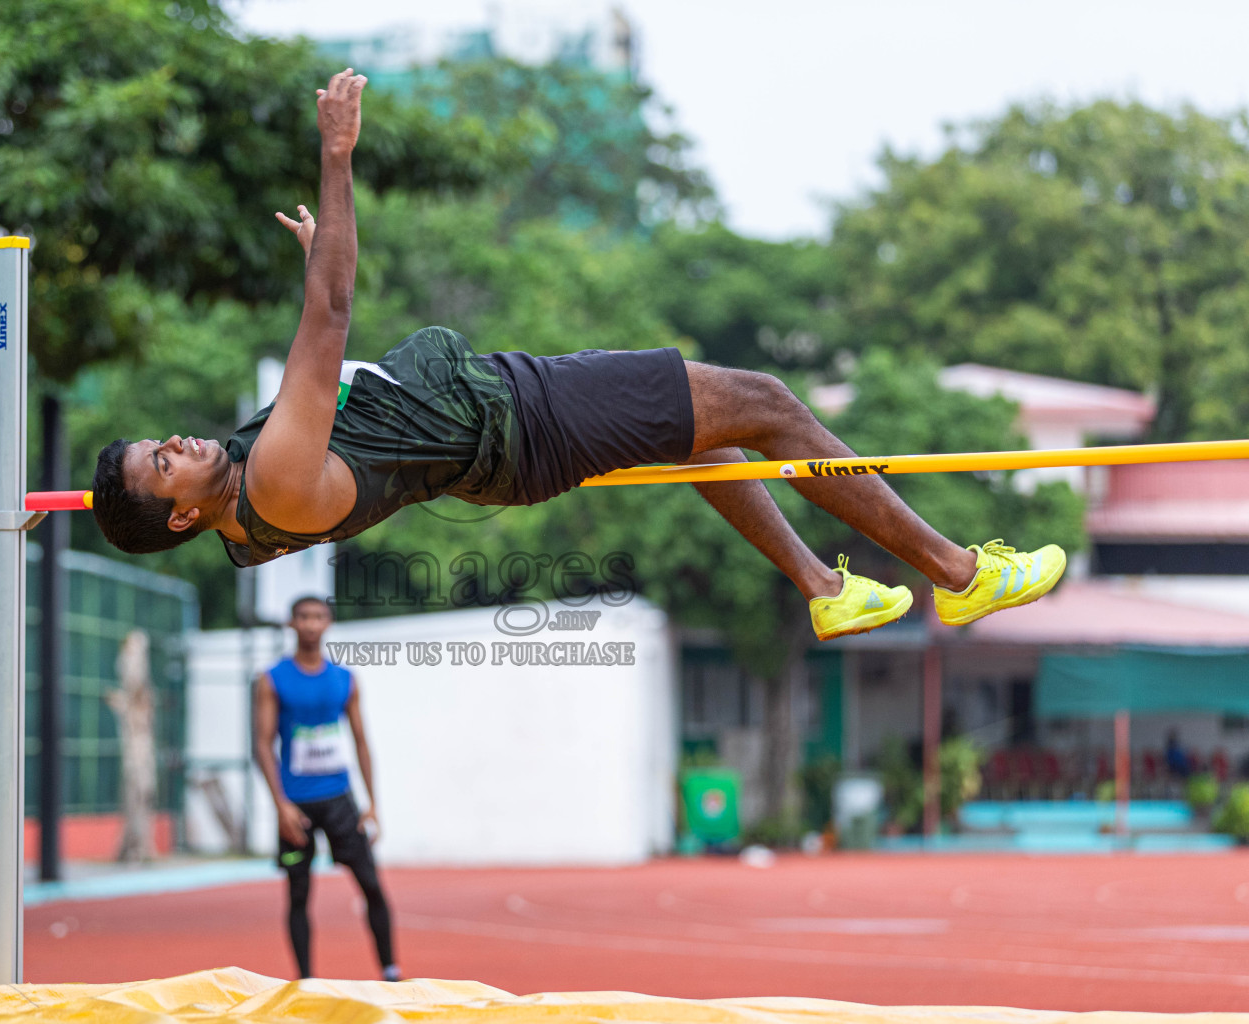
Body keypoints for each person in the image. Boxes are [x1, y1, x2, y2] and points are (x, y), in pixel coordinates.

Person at [91, 69, 1066, 642]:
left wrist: (320, 271)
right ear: (179, 510)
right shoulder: (272, 479)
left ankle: (824, 588)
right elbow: (334, 315)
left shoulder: (246, 520)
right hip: (521, 422)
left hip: (500, 433)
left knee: (705, 436)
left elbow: (340, 366)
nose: (176, 439)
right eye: (162, 458)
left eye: (160, 439)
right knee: (764, 399)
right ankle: (954, 571)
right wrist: (338, 159)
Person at [252, 595, 398, 981]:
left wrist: (372, 803)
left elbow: (362, 741)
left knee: (372, 885)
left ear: (329, 622)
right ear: (291, 623)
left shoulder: (345, 680)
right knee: (298, 894)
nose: (311, 624)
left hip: (340, 800)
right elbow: (262, 744)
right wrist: (280, 804)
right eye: (303, 617)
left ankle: (390, 971)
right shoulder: (272, 679)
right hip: (296, 804)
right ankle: (305, 981)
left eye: (318, 617)